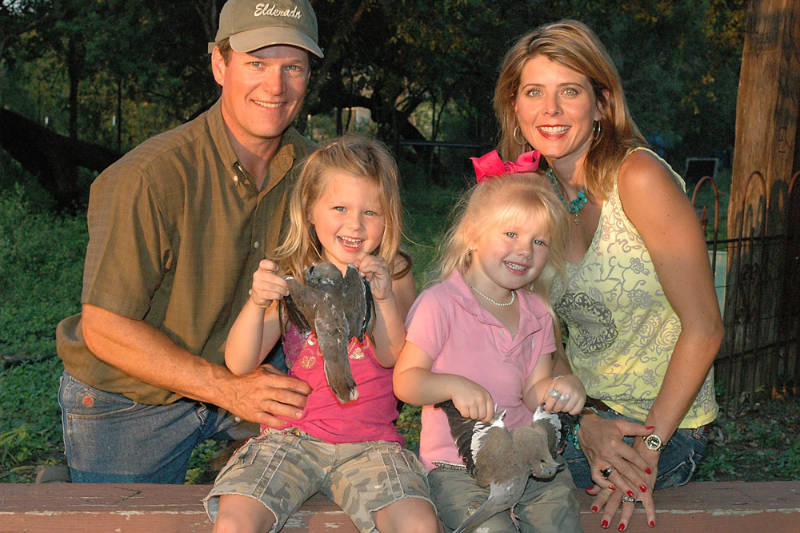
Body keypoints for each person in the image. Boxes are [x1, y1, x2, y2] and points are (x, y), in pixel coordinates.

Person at [55, 0, 325, 483]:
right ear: (220, 64)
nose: (275, 86)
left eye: (293, 68)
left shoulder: (317, 172)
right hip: (132, 395)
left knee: (310, 501)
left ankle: (226, 471)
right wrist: (227, 390)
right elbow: (104, 327)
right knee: (122, 520)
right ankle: (68, 487)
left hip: (253, 371)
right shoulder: (148, 177)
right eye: (257, 63)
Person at [492, 19, 724, 530]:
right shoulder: (536, 196)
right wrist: (585, 423)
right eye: (534, 92)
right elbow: (541, 338)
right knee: (472, 465)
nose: (550, 110)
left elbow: (705, 328)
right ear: (515, 106)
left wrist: (648, 449)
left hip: (664, 423)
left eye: (568, 91)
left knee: (508, 492)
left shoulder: (639, 178)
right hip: (581, 412)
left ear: (600, 102)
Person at [204, 135, 440, 533]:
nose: (355, 224)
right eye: (340, 208)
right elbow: (240, 361)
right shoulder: (294, 276)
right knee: (237, 519)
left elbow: (391, 356)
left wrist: (382, 298)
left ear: (390, 217)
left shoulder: (393, 272)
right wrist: (257, 302)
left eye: (371, 212)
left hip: (372, 443)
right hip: (292, 436)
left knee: (418, 524)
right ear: (310, 209)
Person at [393, 159, 585, 533]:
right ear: (473, 234)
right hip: (457, 466)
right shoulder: (441, 304)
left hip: (527, 458)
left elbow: (533, 391)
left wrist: (564, 388)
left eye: (539, 241)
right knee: (489, 529)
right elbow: (406, 381)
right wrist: (452, 384)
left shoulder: (537, 312)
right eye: (510, 234)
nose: (524, 251)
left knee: (558, 517)